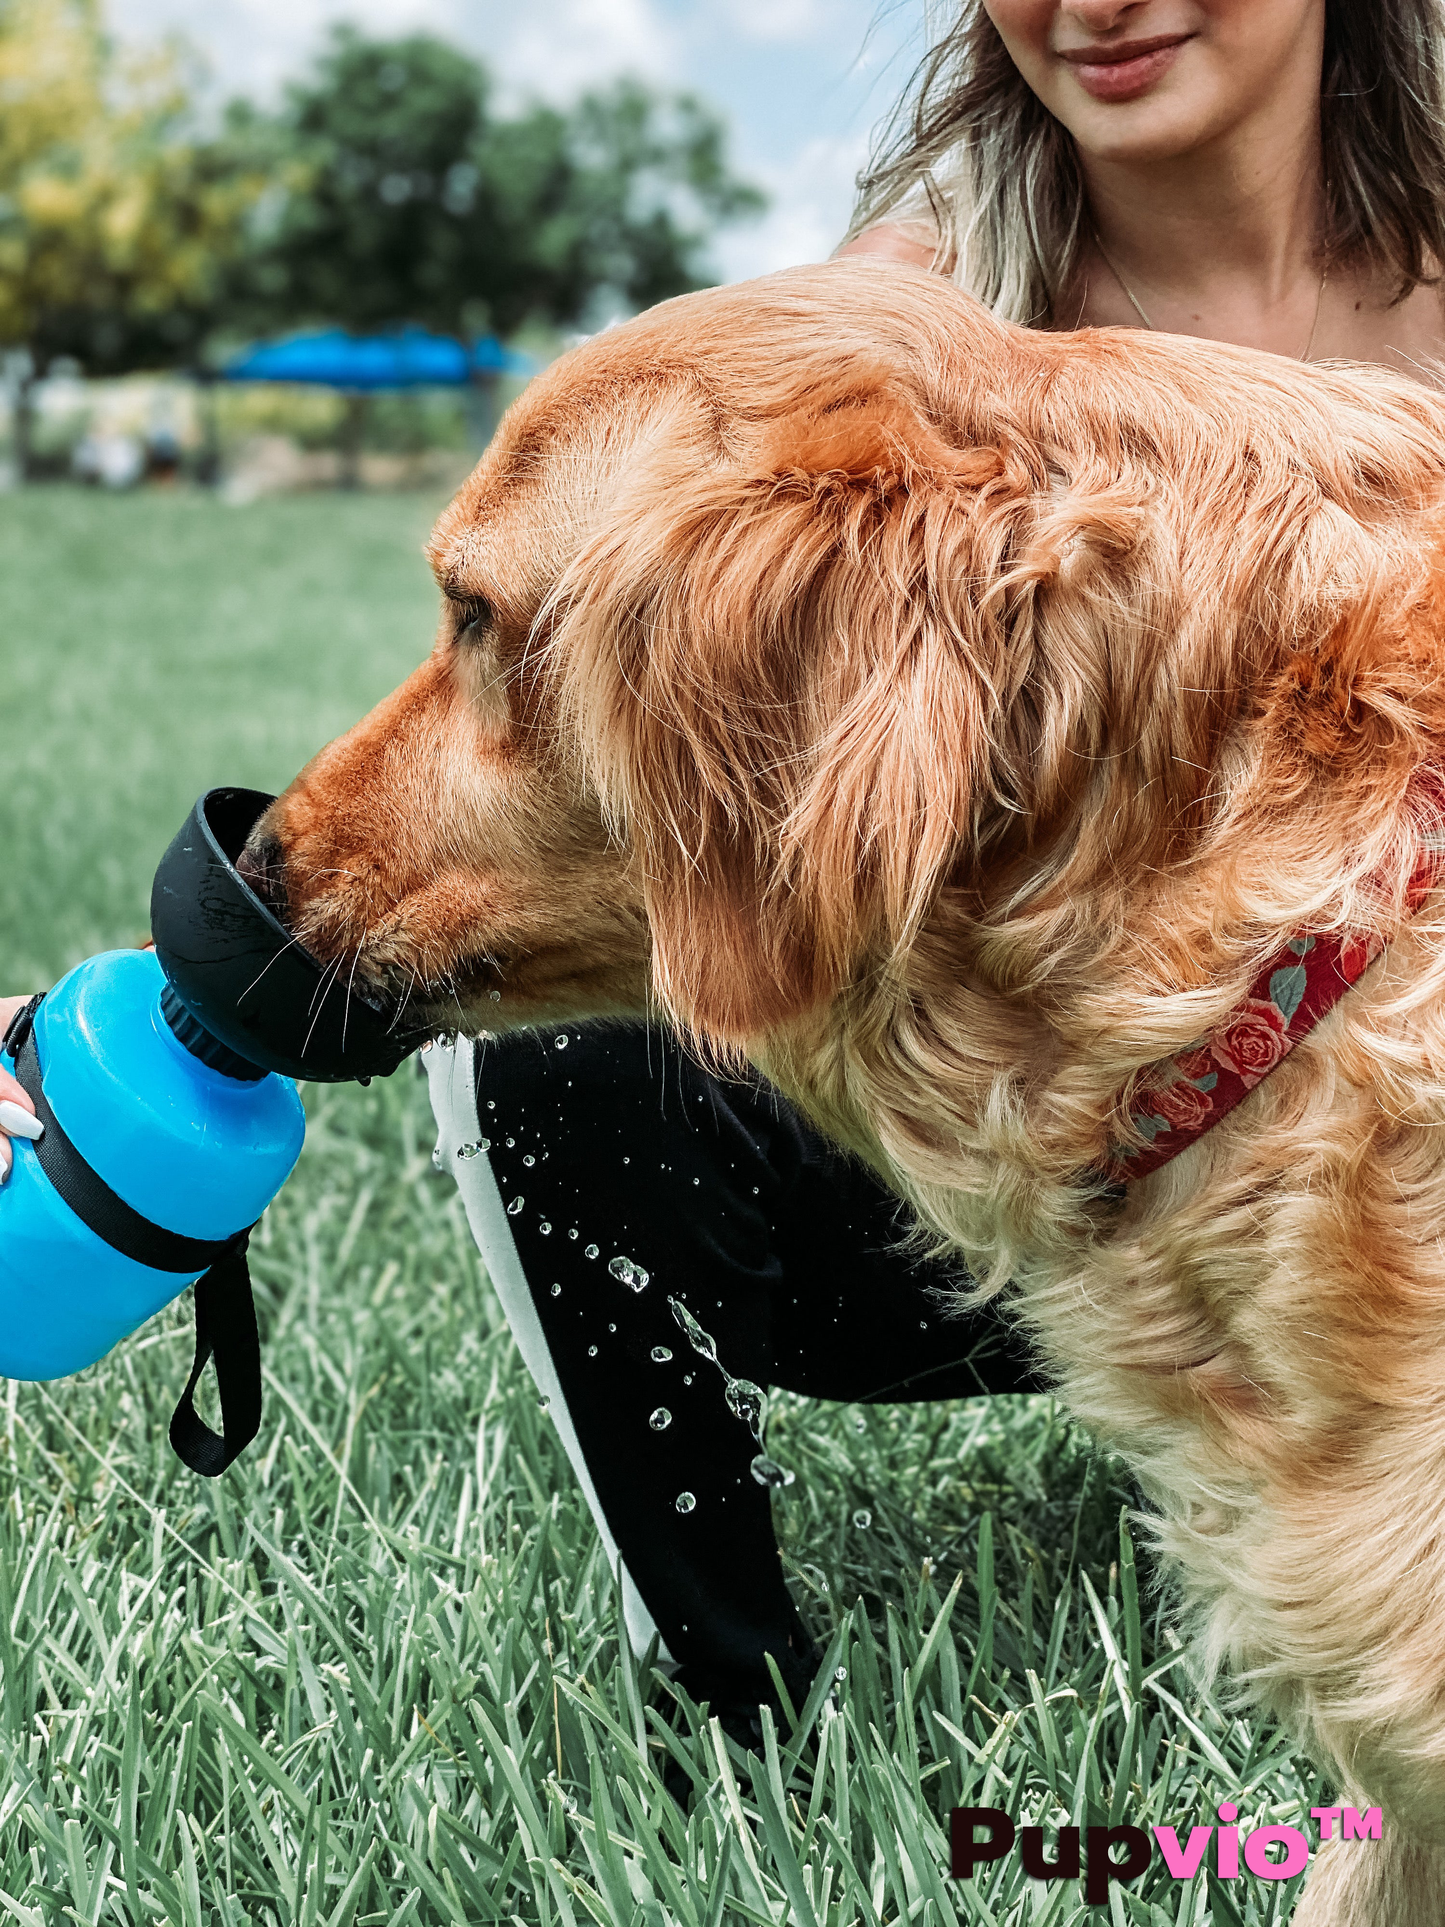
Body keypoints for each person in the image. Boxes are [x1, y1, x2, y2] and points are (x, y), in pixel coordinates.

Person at [11, 0, 1445, 1743]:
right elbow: (696, 803)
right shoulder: (899, 307)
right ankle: (727, 1699)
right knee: (544, 1056)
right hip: (1022, 1170)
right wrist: (151, 1028)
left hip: (1346, 1111)